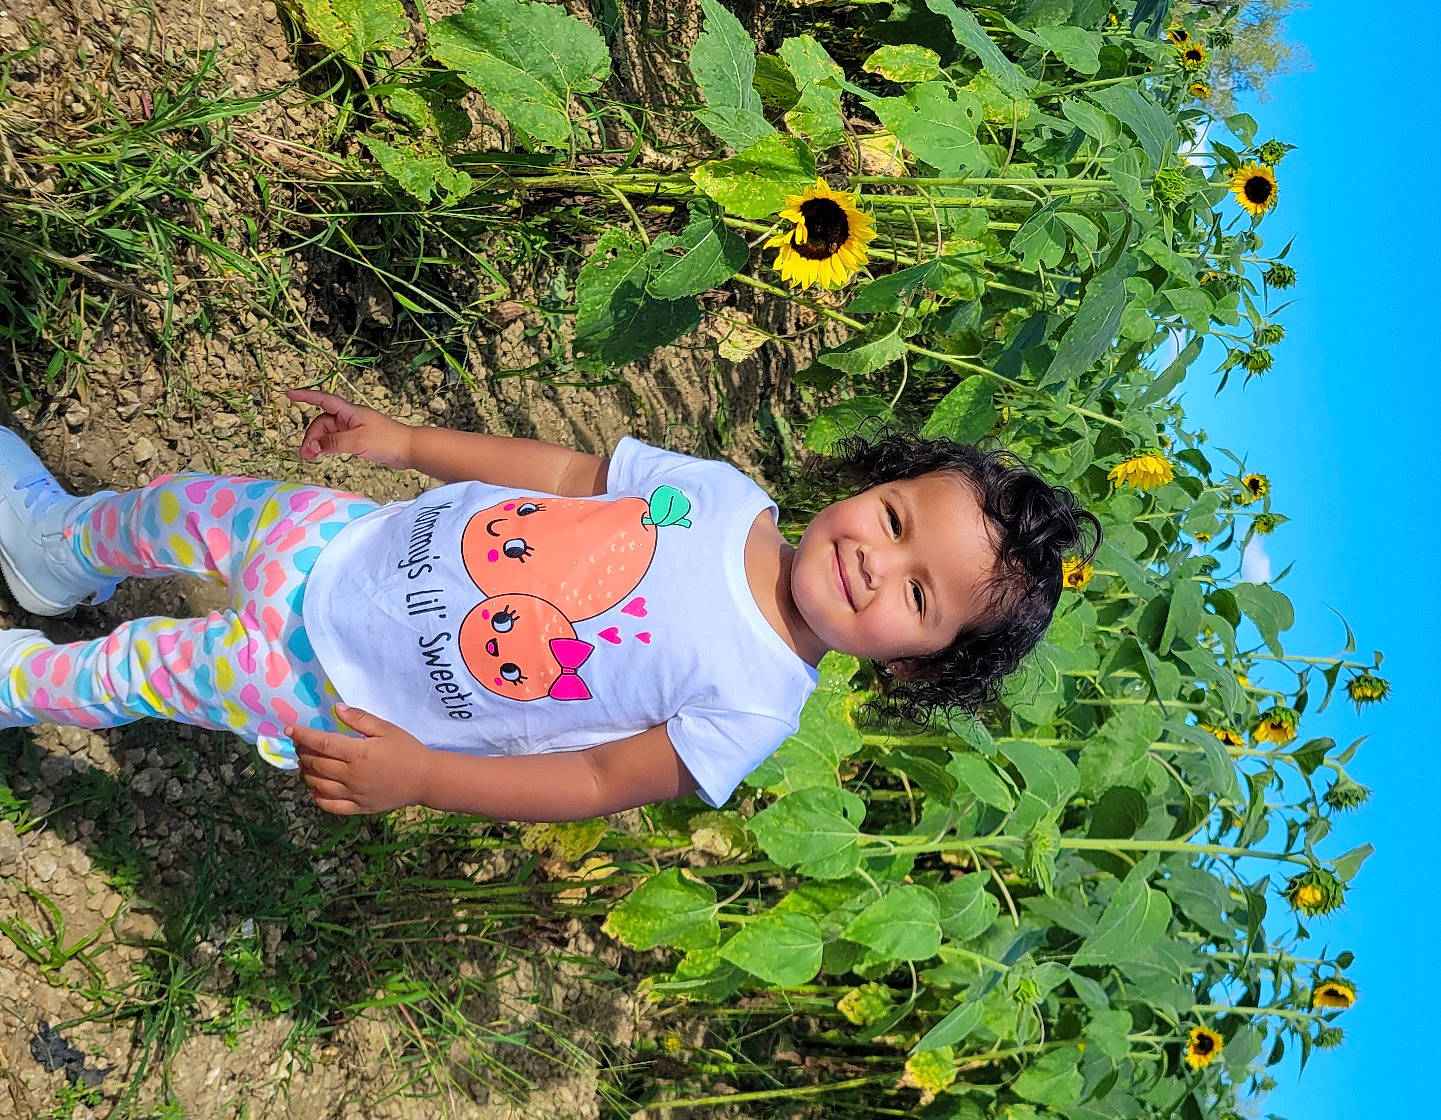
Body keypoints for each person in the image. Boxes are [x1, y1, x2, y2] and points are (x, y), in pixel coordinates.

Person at [0, 391, 1097, 821]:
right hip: (345, 539)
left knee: (135, 670)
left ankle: (18, 682)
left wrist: (423, 776)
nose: (873, 560)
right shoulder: (722, 496)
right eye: (896, 519)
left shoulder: (754, 705)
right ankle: (56, 550)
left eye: (915, 597)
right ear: (878, 480)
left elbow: (589, 780)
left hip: (333, 686)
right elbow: (571, 477)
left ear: (912, 664)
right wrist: (407, 444)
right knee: (177, 510)